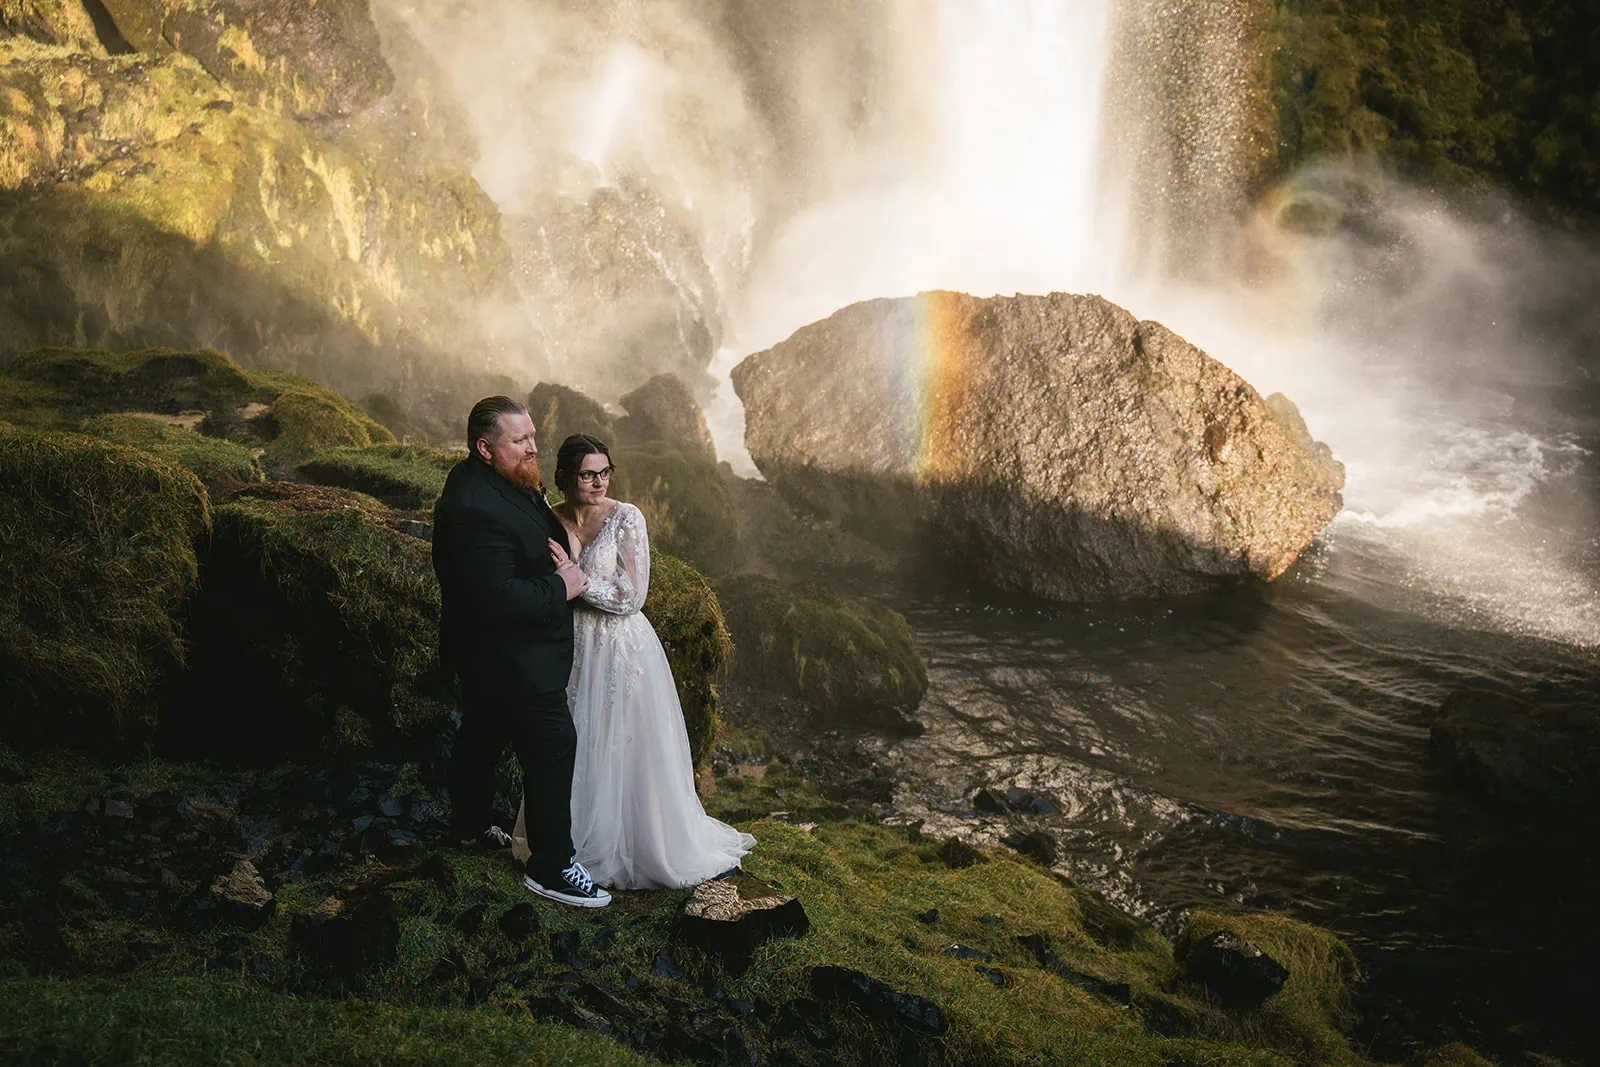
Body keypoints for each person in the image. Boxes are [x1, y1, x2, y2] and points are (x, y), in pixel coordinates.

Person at [512, 433, 755, 888]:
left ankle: (631, 843)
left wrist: (577, 579)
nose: (599, 481)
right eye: (588, 474)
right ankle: (568, 844)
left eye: (605, 471)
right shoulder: (551, 516)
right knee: (574, 739)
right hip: (571, 643)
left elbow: (632, 597)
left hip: (621, 646)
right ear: (565, 477)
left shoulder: (626, 517)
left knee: (623, 742)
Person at [431, 397, 612, 908]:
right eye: (520, 441)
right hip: (510, 656)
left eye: (533, 436)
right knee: (554, 743)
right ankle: (552, 866)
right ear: (485, 448)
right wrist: (564, 585)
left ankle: (467, 825)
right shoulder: (472, 507)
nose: (534, 448)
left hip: (496, 656)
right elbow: (496, 598)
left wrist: (563, 550)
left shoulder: (502, 479)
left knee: (483, 734)